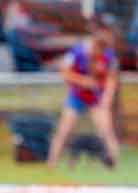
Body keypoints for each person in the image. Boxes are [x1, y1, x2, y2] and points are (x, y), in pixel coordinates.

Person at [47, 16, 120, 169]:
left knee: (107, 130)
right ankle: (51, 164)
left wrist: (106, 99)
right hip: (77, 96)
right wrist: (82, 81)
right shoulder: (78, 51)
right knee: (64, 130)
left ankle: (114, 164)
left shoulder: (109, 55)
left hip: (96, 98)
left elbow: (111, 80)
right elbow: (65, 72)